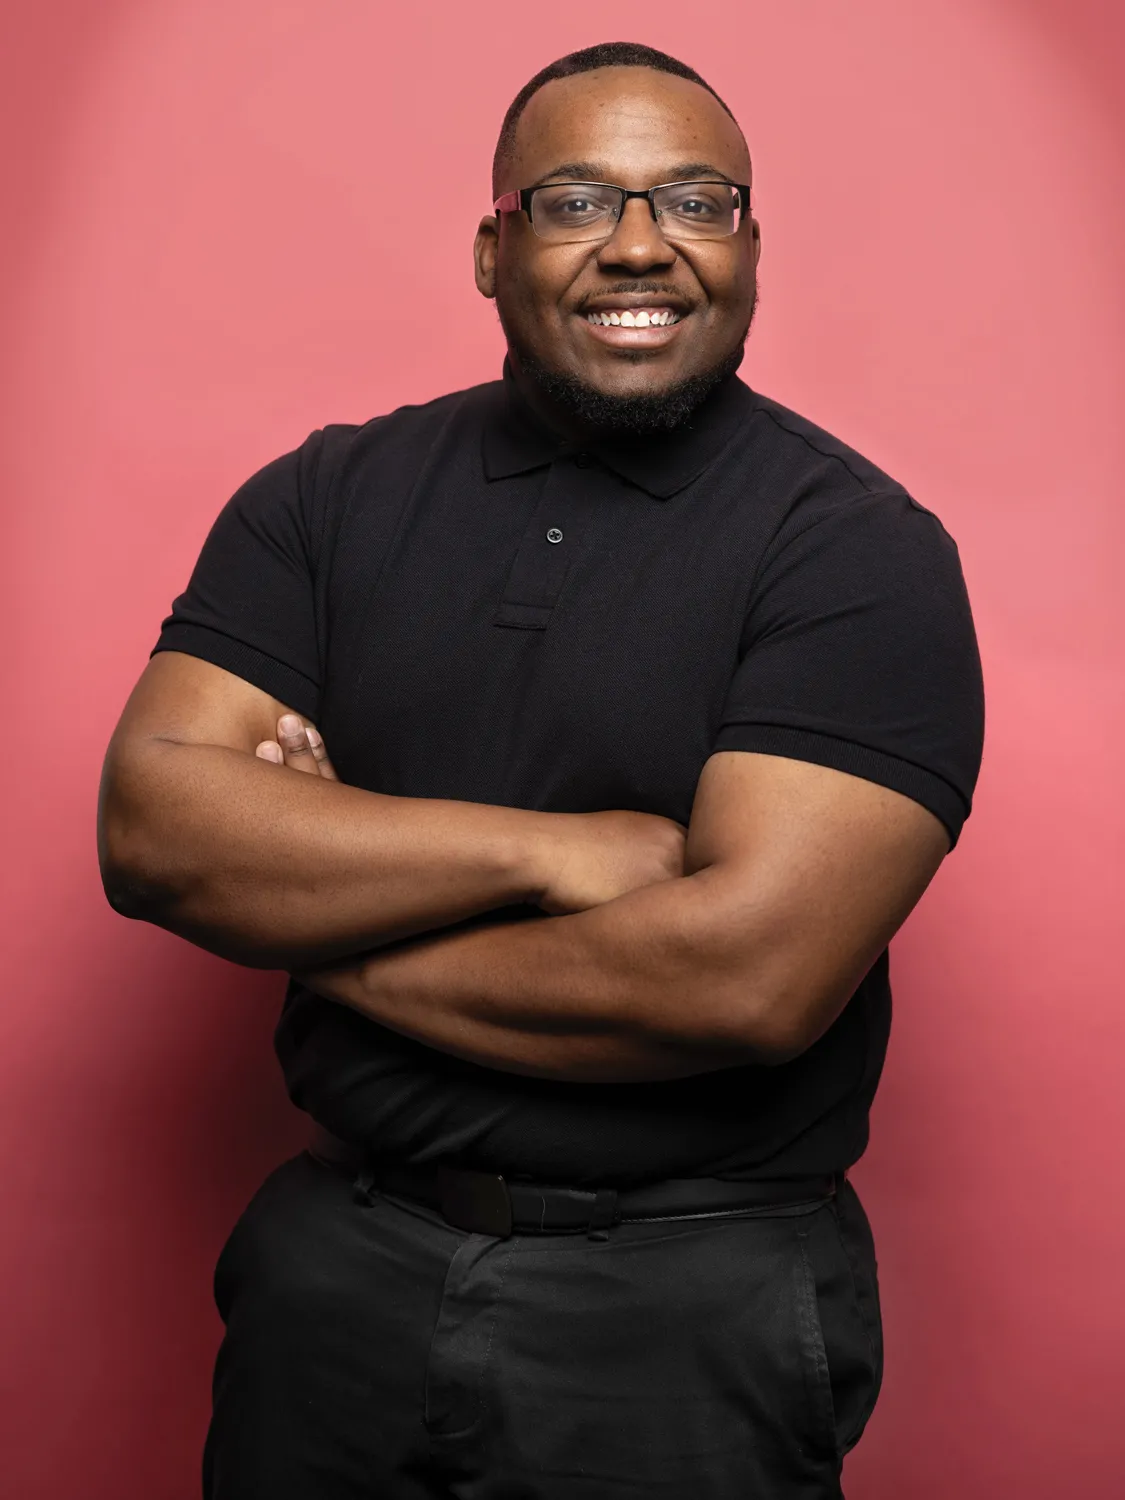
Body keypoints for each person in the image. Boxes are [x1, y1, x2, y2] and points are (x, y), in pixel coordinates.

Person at [98, 40, 984, 1500]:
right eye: (577, 202)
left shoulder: (856, 551)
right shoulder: (325, 500)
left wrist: (325, 918)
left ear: (751, 248)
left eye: (697, 202)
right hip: (337, 1270)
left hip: (684, 1301)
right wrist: (551, 852)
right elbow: (154, 829)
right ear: (490, 248)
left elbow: (743, 978)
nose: (642, 244)